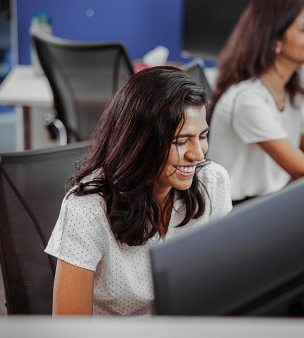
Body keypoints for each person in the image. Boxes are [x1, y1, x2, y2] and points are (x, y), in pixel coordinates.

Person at [45, 66, 232, 316]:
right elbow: (69, 329)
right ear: (141, 142)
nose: (198, 154)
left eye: (202, 136)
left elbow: (225, 281)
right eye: (180, 141)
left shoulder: (213, 181)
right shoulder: (86, 210)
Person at [208, 0, 304, 204]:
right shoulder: (249, 101)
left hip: (271, 197)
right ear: (275, 41)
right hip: (240, 211)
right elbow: (303, 172)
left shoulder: (285, 89)